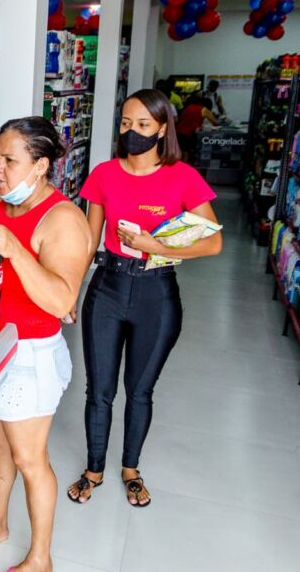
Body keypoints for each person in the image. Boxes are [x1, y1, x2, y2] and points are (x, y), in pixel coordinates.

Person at [66, 89, 222, 509]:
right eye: (125, 123)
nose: (131, 132)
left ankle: (130, 469)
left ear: (163, 129)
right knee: (98, 391)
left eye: (143, 125)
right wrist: (71, 291)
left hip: (157, 293)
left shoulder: (183, 176)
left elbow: (213, 243)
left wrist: (158, 246)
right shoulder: (102, 174)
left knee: (140, 391)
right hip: (108, 289)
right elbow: (88, 240)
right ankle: (94, 468)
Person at [0, 117, 92, 572]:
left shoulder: (65, 220)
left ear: (41, 166)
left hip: (31, 354)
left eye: (10, 160)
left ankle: (40, 559)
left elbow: (61, 300)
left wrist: (17, 250)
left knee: (31, 458)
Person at [177, 95, 220, 162]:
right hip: (190, 134)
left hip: (180, 133)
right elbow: (216, 122)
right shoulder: (204, 109)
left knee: (183, 153)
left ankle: (180, 169)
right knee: (189, 154)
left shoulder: (189, 107)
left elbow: (182, 119)